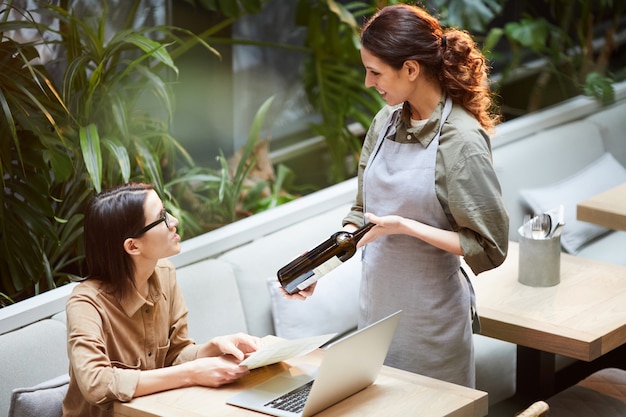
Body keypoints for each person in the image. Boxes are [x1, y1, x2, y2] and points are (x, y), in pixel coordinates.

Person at [286, 4, 509, 388]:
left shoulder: (461, 140)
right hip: (375, 320)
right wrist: (318, 268)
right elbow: (361, 213)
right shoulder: (384, 122)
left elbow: (489, 247)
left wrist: (405, 226)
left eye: (375, 72)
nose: (368, 83)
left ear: (410, 69)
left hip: (431, 328)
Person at [62, 183, 261, 417]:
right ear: (133, 246)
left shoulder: (164, 273)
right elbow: (96, 384)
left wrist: (212, 347)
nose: (174, 220)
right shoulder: (86, 303)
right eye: (162, 217)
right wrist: (192, 373)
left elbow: (175, 355)